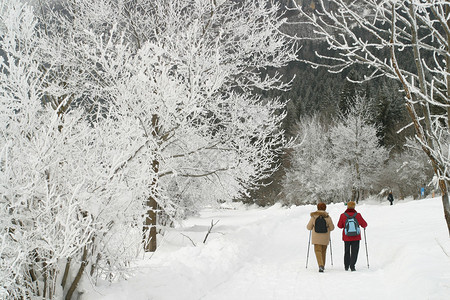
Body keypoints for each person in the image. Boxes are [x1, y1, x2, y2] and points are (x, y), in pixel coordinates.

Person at [337, 201, 367, 271]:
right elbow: (364, 224)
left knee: (347, 251)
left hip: (346, 237)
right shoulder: (358, 215)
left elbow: (339, 226)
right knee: (354, 251)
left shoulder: (343, 215)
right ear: (354, 207)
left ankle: (346, 266)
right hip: (356, 237)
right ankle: (352, 266)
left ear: (347, 206)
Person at [306, 202, 335, 273]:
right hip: (325, 238)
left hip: (316, 238)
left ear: (317, 208)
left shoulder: (314, 216)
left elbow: (308, 227)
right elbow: (332, 228)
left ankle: (320, 265)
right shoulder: (327, 217)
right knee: (323, 251)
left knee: (318, 251)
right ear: (325, 208)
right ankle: (323, 265)